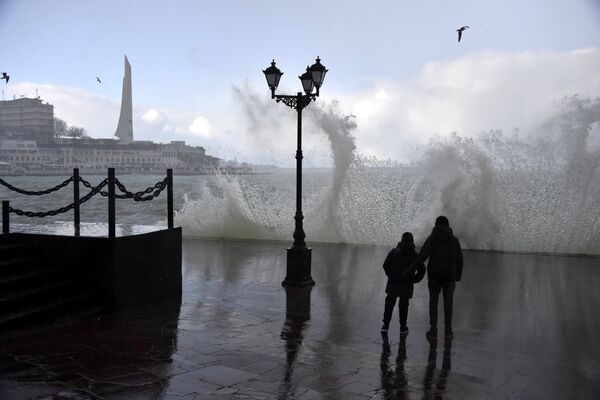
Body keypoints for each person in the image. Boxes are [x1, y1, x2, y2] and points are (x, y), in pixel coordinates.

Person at [406, 216, 463, 341]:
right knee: (448, 304)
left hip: (434, 277)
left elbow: (421, 257)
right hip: (450, 277)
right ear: (448, 226)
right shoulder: (454, 241)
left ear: (436, 225)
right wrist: (457, 276)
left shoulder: (432, 239)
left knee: (433, 303)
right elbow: (460, 260)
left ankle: (433, 331)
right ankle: (448, 331)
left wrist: (409, 271)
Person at [381, 232, 425, 335]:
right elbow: (422, 269)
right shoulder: (415, 255)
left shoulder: (394, 252)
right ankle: (403, 327)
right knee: (404, 306)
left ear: (401, 240)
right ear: (412, 241)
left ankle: (385, 325)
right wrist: (414, 279)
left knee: (389, 304)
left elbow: (385, 265)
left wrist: (390, 275)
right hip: (407, 285)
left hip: (393, 283)